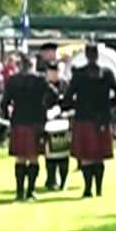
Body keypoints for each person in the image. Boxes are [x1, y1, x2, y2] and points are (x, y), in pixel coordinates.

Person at [63, 44, 116, 198]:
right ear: (98, 56)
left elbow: (67, 99)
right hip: (102, 119)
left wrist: (75, 105)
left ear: (86, 55)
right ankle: (98, 189)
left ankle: (87, 189)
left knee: (86, 157)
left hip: (84, 118)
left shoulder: (79, 74)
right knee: (99, 156)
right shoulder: (107, 73)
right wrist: (108, 105)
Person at [1, 54, 49, 201]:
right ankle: (31, 191)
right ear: (32, 64)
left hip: (19, 121)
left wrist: (8, 118)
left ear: (21, 65)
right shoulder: (41, 80)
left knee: (20, 158)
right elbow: (52, 96)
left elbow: (4, 102)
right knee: (34, 158)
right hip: (36, 122)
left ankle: (19, 192)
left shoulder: (13, 80)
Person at [43, 61, 69, 191]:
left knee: (63, 154)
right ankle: (51, 179)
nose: (55, 74)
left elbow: (69, 102)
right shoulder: (43, 86)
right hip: (47, 123)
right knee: (49, 154)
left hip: (63, 122)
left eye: (57, 71)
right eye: (53, 72)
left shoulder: (65, 85)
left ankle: (63, 180)